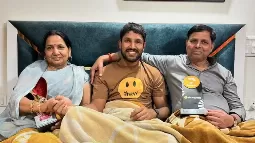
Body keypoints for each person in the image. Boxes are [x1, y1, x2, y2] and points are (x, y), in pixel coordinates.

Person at [90, 24, 246, 129]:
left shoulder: (224, 73)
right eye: (193, 41)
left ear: (212, 46)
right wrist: (106, 58)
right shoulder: (172, 63)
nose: (198, 46)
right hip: (188, 121)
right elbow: (134, 53)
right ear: (187, 43)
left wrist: (232, 119)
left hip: (224, 124)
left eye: (204, 42)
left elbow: (238, 107)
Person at [58, 23, 175, 143]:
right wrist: (71, 109)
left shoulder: (154, 73)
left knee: (169, 140)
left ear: (144, 46)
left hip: (142, 122)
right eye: (127, 41)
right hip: (112, 119)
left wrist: (153, 112)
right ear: (120, 44)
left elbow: (165, 109)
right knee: (75, 114)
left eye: (138, 42)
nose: (132, 46)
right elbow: (97, 107)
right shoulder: (104, 72)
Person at [0, 30, 91, 142]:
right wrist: (44, 107)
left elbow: (87, 107)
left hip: (67, 125)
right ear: (44, 53)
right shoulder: (33, 70)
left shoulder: (80, 74)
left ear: (69, 51)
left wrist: (69, 111)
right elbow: (17, 102)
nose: (55, 52)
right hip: (27, 125)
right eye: (50, 48)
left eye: (60, 47)